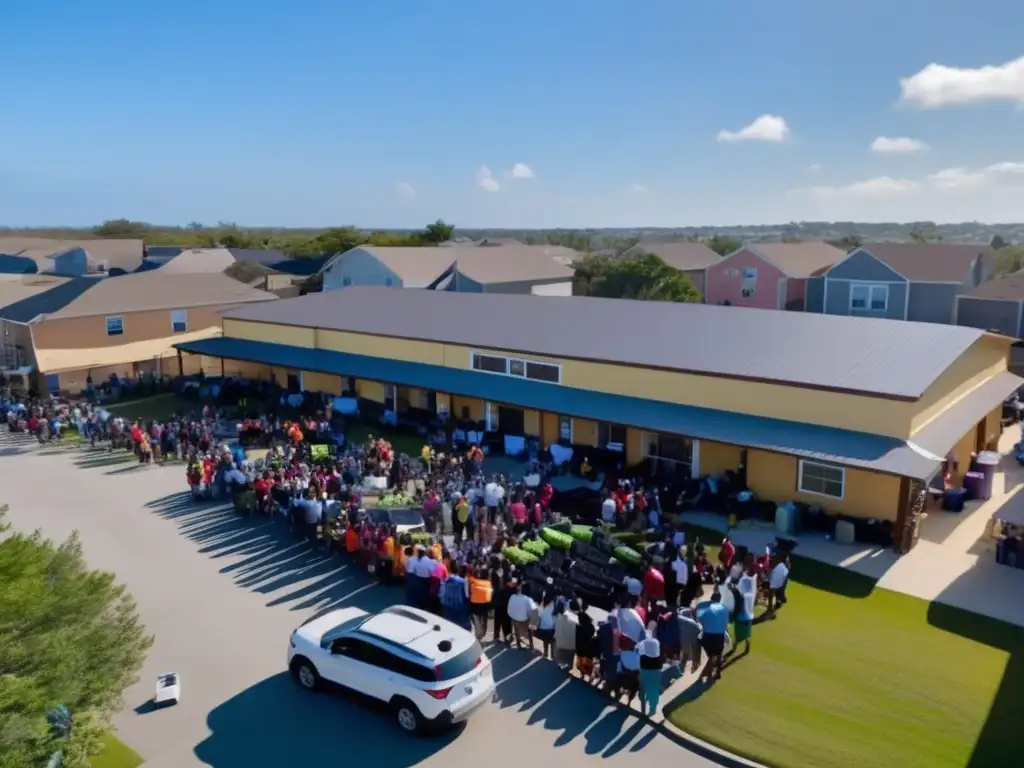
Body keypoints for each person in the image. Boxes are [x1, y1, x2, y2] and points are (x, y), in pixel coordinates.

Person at [696, 590, 729, 683]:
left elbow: (701, 620)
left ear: (711, 598)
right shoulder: (724, 608)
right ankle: (717, 672)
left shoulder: (706, 607)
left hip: (708, 635)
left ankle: (706, 673)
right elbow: (726, 623)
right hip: (719, 635)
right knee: (718, 654)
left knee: (711, 654)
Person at [637, 623, 664, 716]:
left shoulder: (642, 643)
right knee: (653, 690)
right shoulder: (657, 642)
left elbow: (638, 653)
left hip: (645, 669)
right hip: (656, 669)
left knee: (643, 689)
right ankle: (652, 709)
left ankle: (643, 710)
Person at [733, 563, 757, 657]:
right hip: (748, 616)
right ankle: (747, 647)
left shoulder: (743, 593)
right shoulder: (751, 588)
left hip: (741, 616)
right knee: (747, 633)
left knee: (738, 633)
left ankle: (735, 647)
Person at [506, 580, 536, 650]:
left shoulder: (512, 597)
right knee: (535, 618)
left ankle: (518, 642)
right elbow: (533, 612)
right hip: (525, 624)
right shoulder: (528, 600)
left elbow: (509, 611)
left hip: (515, 622)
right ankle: (531, 644)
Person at [440, 564, 470, 629]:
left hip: (447, 608)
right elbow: (467, 596)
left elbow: (441, 595)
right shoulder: (463, 582)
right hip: (459, 609)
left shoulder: (445, 581)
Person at [467, 565, 493, 639]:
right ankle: (480, 635)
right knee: (482, 622)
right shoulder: (488, 583)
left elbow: (469, 594)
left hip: (475, 606)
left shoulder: (472, 582)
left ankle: (478, 636)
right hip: (484, 606)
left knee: (477, 622)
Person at [554, 599, 580, 670]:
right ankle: (569, 666)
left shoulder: (562, 616)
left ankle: (560, 663)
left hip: (560, 644)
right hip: (571, 647)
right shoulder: (577, 619)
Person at [575, 608, 597, 681]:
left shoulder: (578, 628)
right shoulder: (591, 627)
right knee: (588, 664)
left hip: (580, 650)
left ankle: (582, 675)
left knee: (581, 664)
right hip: (588, 650)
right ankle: (590, 677)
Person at [535, 591, 557, 659]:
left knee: (545, 641)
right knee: (553, 641)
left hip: (542, 630)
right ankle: (553, 656)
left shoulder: (540, 607)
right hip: (551, 630)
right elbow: (555, 619)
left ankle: (545, 653)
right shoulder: (553, 607)